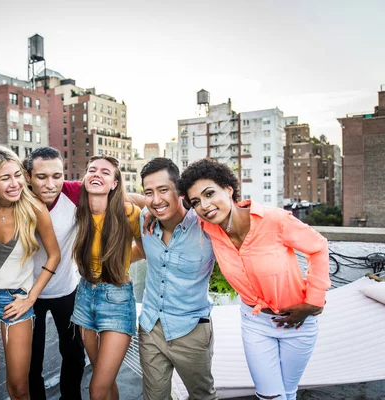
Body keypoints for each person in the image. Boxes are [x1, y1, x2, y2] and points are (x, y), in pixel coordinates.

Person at [178, 158, 331, 400]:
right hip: (255, 323)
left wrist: (314, 301)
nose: (204, 205)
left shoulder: (275, 220)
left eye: (209, 194)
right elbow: (163, 205)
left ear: (229, 189)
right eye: (196, 202)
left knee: (288, 393)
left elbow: (319, 247)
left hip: (299, 323)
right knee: (269, 396)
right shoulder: (208, 227)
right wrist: (147, 213)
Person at [0, 146, 60, 400]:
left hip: (17, 300)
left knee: (18, 386)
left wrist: (30, 298)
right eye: (5, 178)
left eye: (18, 175)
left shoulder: (35, 209)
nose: (15, 183)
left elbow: (54, 255)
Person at [137, 158, 218, 400]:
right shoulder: (144, 218)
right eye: (149, 192)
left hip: (190, 329)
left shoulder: (207, 227)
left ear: (180, 191)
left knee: (202, 396)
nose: (156, 199)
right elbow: (125, 197)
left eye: (163, 190)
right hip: (150, 327)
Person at [70, 155, 143, 400]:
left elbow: (143, 249)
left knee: (97, 388)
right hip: (84, 296)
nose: (97, 174)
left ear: (114, 183)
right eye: (92, 170)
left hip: (117, 298)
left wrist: (116, 262)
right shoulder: (78, 209)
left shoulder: (129, 213)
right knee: (106, 380)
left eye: (105, 172)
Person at [23, 147, 85, 400]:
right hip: (27, 294)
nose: (51, 184)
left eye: (57, 176)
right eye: (42, 177)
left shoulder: (73, 192)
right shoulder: (17, 197)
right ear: (28, 177)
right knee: (31, 359)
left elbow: (121, 196)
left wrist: (149, 212)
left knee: (73, 354)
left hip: (66, 290)